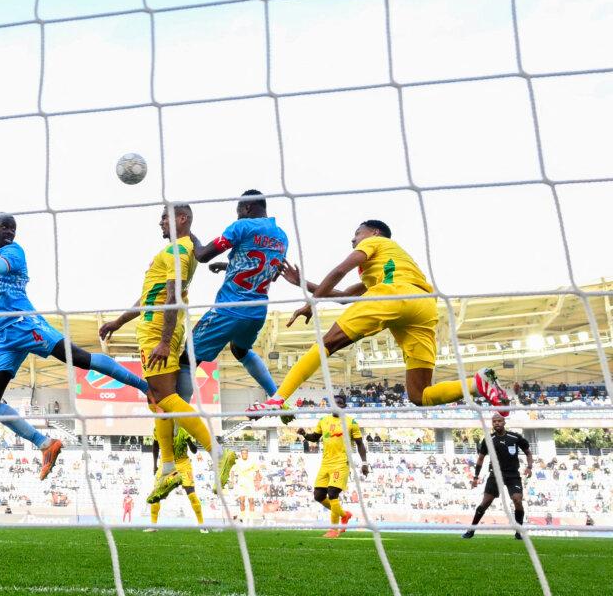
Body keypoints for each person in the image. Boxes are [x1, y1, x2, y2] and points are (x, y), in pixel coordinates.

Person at [0, 214, 148, 480]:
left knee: (80, 359)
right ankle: (45, 444)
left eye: (13, 228)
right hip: (7, 338)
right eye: (4, 227)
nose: (9, 231)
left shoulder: (14, 252)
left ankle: (145, 387)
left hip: (28, 325)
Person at [249, 220, 509, 416]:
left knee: (327, 344)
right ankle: (477, 383)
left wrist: (310, 305)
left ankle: (277, 398)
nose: (353, 240)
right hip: (423, 307)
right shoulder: (389, 262)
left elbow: (340, 270)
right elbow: (343, 297)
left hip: (394, 295)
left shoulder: (374, 243)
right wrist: (301, 284)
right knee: (420, 395)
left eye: (357, 234)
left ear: (373, 233)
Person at [98, 205, 234, 504]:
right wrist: (119, 321)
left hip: (158, 330)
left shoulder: (177, 251)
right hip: (165, 328)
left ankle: (217, 451)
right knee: (158, 401)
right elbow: (153, 296)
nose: (159, 221)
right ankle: (168, 468)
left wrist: (161, 341)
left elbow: (171, 298)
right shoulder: (184, 248)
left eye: (165, 216)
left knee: (164, 398)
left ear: (181, 219)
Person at [180, 190, 287, 399]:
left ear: (247, 207)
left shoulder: (241, 226)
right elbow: (269, 272)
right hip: (257, 313)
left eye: (238, 210)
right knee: (240, 350)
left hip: (228, 310)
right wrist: (230, 266)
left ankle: (176, 426)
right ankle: (277, 398)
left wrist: (189, 233)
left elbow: (202, 255)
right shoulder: (281, 236)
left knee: (187, 358)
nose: (237, 215)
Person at [295, 393, 369, 539]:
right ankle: (344, 515)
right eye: (334, 403)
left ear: (344, 406)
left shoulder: (351, 422)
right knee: (318, 496)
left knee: (333, 493)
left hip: (341, 463)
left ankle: (334, 529)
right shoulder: (323, 420)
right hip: (326, 463)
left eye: (340, 403)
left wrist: (365, 463)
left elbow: (360, 444)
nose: (337, 405)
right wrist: (304, 434)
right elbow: (315, 438)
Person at [463, 414, 532, 539]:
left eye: (499, 421)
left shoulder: (515, 437)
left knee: (517, 499)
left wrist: (529, 467)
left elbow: (528, 452)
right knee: (485, 503)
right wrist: (475, 477)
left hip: (512, 475)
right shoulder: (488, 439)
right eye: (494, 421)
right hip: (495, 475)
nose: (497, 423)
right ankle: (471, 530)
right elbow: (480, 458)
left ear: (504, 422)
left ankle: (519, 531)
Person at [145, 428, 208, 534]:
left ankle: (202, 525)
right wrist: (154, 465)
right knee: (156, 493)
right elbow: (155, 446)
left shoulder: (183, 430)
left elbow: (194, 450)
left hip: (183, 464)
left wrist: (188, 440)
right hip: (166, 462)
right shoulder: (159, 427)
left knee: (191, 494)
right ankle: (153, 525)